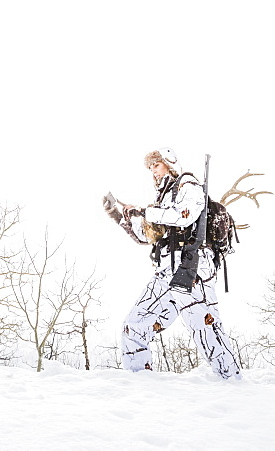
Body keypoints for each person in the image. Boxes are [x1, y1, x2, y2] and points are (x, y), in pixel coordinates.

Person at [105, 147, 241, 380]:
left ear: (170, 163)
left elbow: (185, 214)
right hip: (166, 270)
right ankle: (139, 382)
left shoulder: (188, 185)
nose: (153, 172)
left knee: (205, 327)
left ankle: (232, 383)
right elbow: (148, 237)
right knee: (135, 325)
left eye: (156, 165)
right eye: (150, 168)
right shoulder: (163, 199)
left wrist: (146, 211)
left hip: (193, 265)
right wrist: (119, 215)